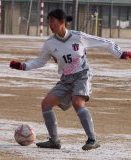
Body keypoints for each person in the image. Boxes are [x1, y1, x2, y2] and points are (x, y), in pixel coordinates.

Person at [10, 9, 131, 150]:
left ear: (62, 22)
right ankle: (54, 141)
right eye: (48, 22)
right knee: (46, 104)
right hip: (66, 78)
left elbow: (104, 42)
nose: (50, 25)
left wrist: (121, 53)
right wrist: (23, 66)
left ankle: (92, 139)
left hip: (82, 74)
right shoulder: (50, 43)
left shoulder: (78, 37)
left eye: (52, 21)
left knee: (77, 102)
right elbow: (40, 61)